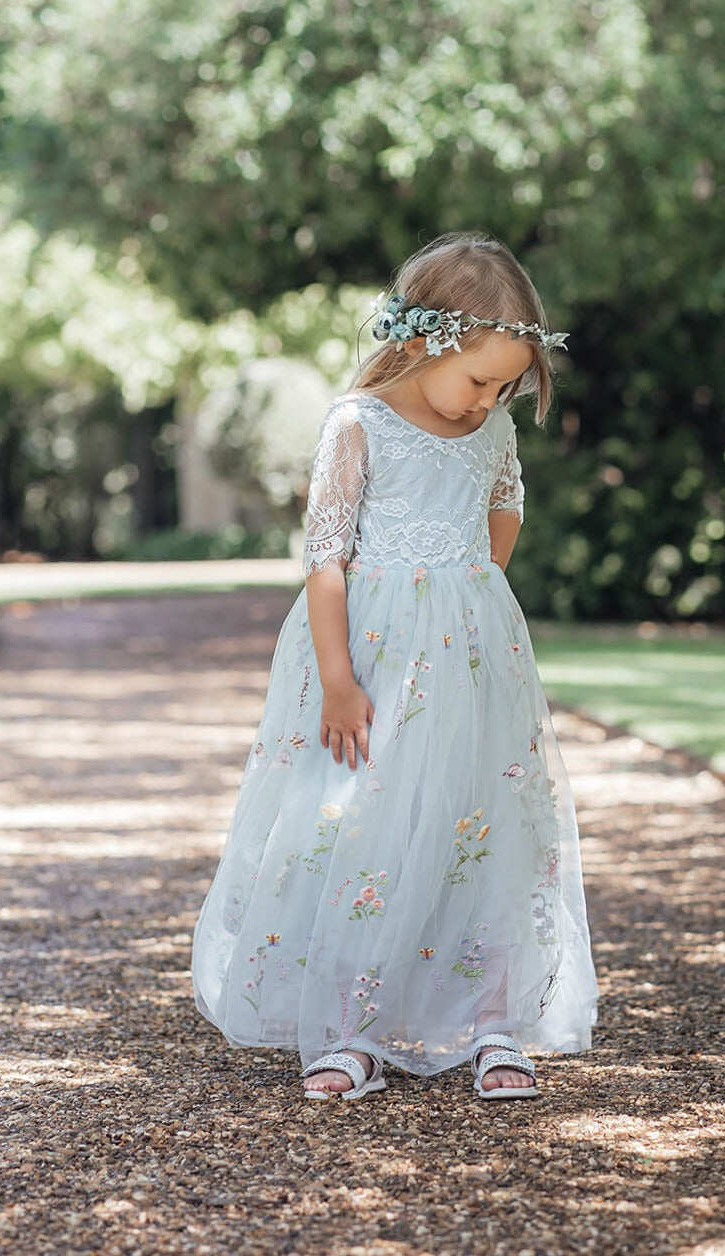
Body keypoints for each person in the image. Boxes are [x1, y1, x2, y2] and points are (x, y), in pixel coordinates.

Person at [191, 233, 598, 1100]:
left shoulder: (487, 430)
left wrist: (466, 596)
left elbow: (503, 509)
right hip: (368, 657)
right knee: (357, 822)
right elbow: (326, 559)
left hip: (471, 658)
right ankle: (353, 1027)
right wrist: (339, 678)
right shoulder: (358, 425)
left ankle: (495, 1022)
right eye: (478, 379)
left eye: (505, 386)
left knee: (479, 823)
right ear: (420, 341)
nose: (487, 399)